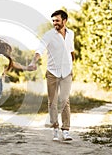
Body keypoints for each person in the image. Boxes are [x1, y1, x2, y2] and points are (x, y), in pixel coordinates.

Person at [29, 10, 75, 141]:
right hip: (52, 73)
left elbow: (71, 50)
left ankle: (66, 130)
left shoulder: (71, 34)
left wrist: (72, 64)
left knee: (65, 100)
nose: (55, 23)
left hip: (67, 72)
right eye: (53, 21)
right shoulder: (49, 35)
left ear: (64, 21)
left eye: (57, 20)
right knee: (53, 102)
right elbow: (40, 49)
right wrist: (33, 62)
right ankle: (55, 129)